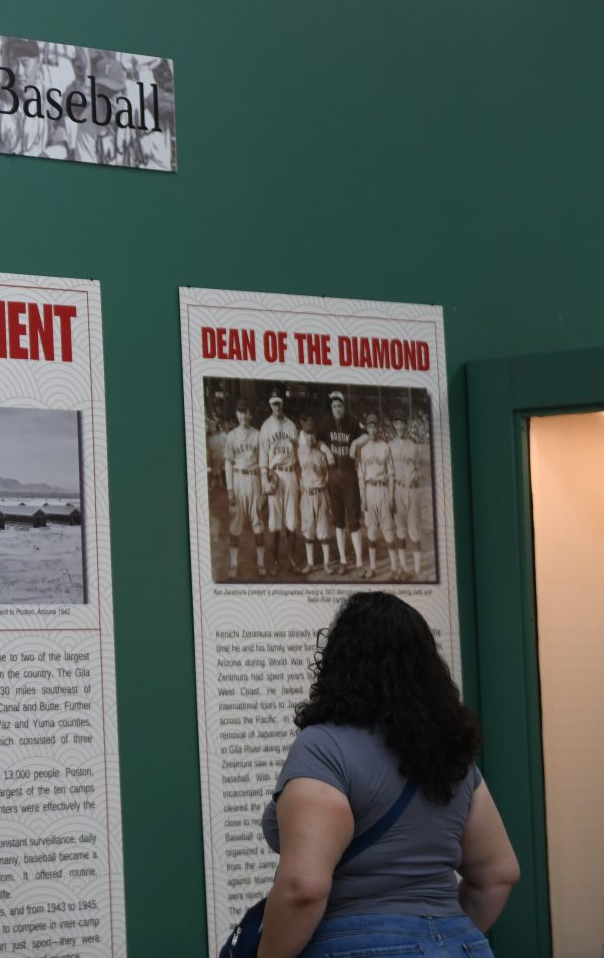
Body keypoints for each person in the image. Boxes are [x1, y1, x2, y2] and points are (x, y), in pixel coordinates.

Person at [254, 592, 518, 957]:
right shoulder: (453, 758)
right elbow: (498, 873)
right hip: (462, 945)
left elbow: (304, 888)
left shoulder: (323, 748)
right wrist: (437, 939)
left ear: (338, 661)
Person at [319, 393, 365, 574]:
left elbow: (366, 435)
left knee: (353, 519)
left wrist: (354, 443)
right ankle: (344, 561)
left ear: (344, 406)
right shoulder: (326, 422)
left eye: (339, 405)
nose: (337, 409)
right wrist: (326, 450)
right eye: (334, 406)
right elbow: (317, 438)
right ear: (331, 408)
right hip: (333, 476)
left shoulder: (352, 422)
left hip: (349, 476)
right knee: (338, 520)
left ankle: (360, 562)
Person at [222, 402, 266, 579]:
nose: (241, 416)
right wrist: (230, 488)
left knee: (258, 522)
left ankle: (261, 564)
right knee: (235, 523)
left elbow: (264, 462)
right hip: (239, 478)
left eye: (244, 412)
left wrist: (263, 488)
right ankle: (233, 564)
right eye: (238, 413)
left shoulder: (258, 435)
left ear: (250, 414)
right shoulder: (232, 436)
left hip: (255, 478)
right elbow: (228, 463)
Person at [259, 393, 300, 572]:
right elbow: (262, 456)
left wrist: (300, 478)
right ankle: (274, 561)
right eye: (273, 404)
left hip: (290, 474)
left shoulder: (292, 426)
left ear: (282, 404)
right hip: (274, 474)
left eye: (278, 403)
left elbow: (299, 453)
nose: (276, 407)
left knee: (292, 520)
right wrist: (264, 481)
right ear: (270, 405)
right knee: (274, 521)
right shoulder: (266, 427)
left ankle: (292, 560)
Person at [355, 416, 395, 581]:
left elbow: (391, 474)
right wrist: (363, 497)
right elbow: (360, 476)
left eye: (375, 426)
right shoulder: (363, 450)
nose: (372, 429)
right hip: (370, 491)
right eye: (369, 426)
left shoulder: (385, 446)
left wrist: (391, 496)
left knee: (388, 530)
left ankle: (394, 568)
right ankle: (372, 567)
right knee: (371, 531)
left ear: (378, 428)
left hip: (383, 489)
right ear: (367, 429)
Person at [297, 417, 334, 574]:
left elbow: (329, 469)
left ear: (316, 435)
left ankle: (327, 563)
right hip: (306, 494)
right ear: (303, 434)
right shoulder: (299, 451)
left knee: (324, 528)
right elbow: (297, 471)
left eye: (312, 433)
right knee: (308, 529)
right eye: (307, 433)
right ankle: (310, 563)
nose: (310, 436)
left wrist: (324, 447)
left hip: (321, 493)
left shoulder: (322, 451)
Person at [389, 417, 424, 579]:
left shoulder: (414, 446)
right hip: (397, 490)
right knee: (400, 530)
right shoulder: (390, 446)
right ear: (394, 426)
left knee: (414, 530)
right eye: (397, 423)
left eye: (402, 423)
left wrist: (416, 478)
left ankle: (417, 570)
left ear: (406, 425)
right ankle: (403, 567)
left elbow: (420, 468)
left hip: (411, 490)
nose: (400, 426)